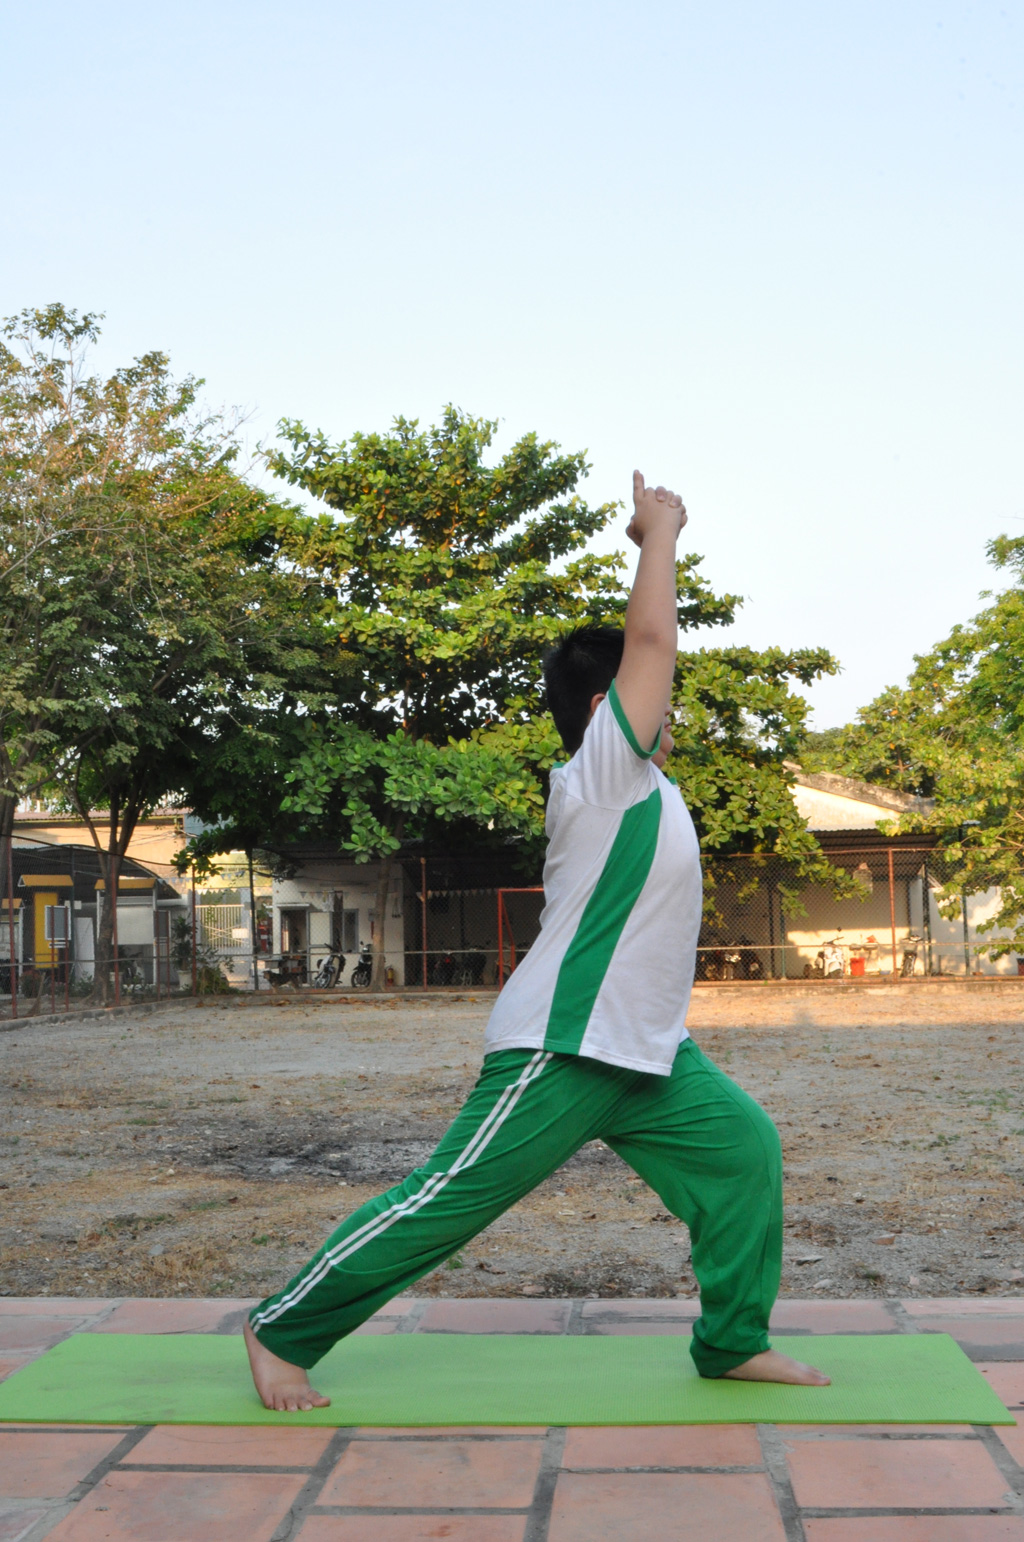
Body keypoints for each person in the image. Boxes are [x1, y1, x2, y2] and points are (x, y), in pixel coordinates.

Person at [245, 470, 829, 1410]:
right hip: (562, 1045)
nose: (665, 703)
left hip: (645, 1054)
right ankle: (281, 1328)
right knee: (449, 1202)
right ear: (607, 711)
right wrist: (659, 537)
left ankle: (731, 1341)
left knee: (743, 1152)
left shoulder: (651, 788)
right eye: (648, 694)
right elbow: (647, 641)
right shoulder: (604, 772)